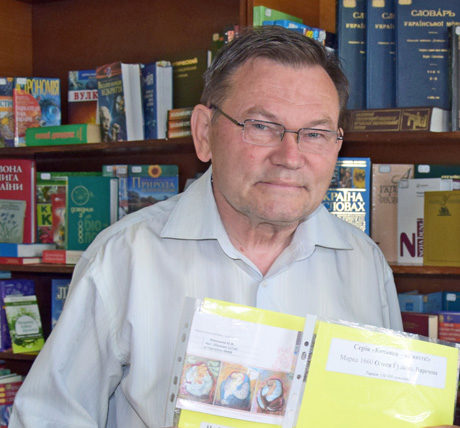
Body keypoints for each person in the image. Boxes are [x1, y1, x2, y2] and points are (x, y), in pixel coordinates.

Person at [9, 26, 456, 428]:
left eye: (316, 133)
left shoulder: (364, 264)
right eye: (261, 126)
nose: (290, 156)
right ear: (204, 133)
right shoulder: (123, 257)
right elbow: (47, 419)